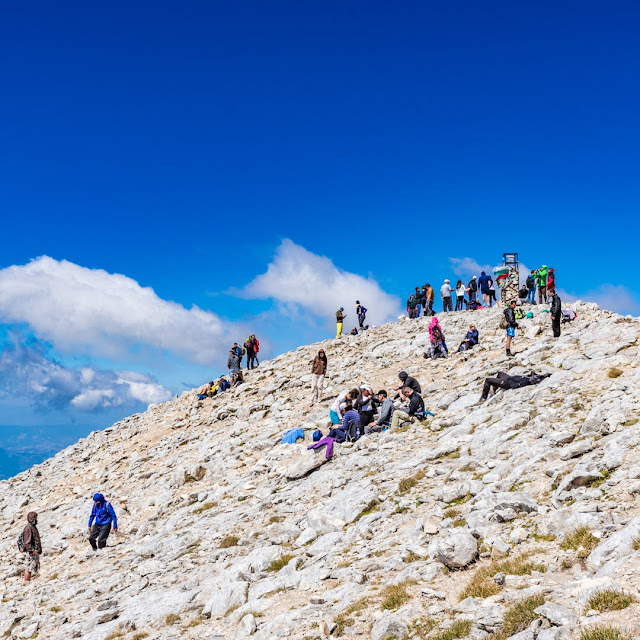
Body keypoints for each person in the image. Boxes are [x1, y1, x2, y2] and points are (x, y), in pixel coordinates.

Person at [480, 371, 552, 401]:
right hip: (509, 379)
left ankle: (484, 397)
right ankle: (495, 389)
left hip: (507, 383)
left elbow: (514, 386)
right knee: (500, 373)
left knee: (488, 380)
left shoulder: (525, 381)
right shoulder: (527, 378)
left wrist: (509, 381)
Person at [22, 511, 41, 581]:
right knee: (29, 567)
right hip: (32, 551)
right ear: (32, 518)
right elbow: (27, 542)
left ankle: (29, 581)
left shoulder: (32, 527)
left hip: (34, 551)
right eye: (35, 517)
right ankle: (26, 582)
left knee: (32, 565)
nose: (37, 519)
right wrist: (32, 550)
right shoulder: (29, 528)